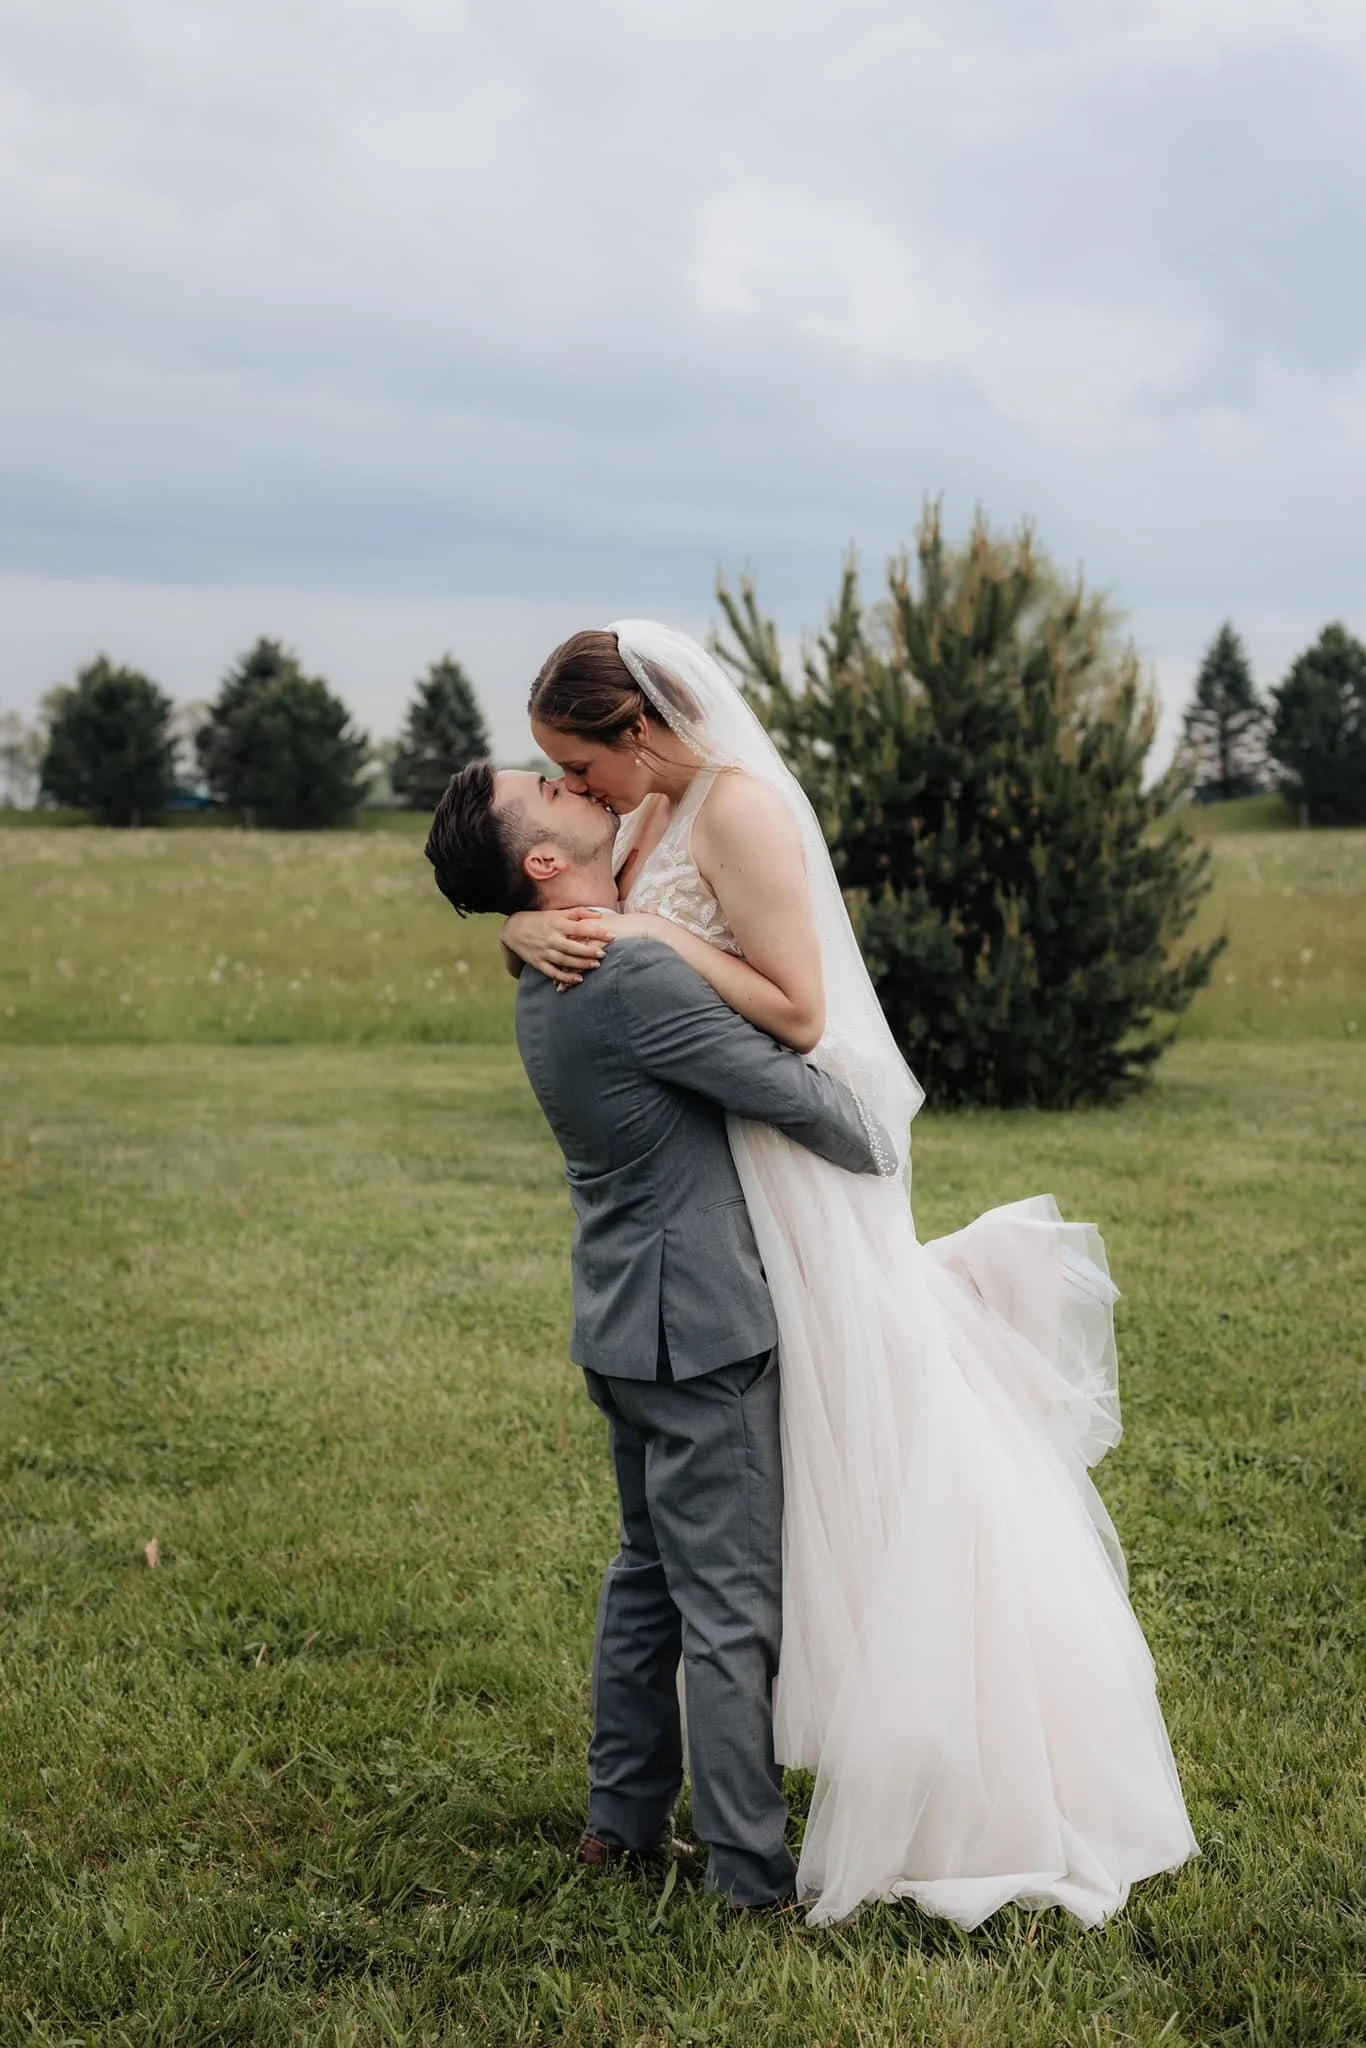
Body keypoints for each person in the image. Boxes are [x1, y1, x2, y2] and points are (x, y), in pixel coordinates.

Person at [498, 621, 1199, 1930]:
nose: (576, 789)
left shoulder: (741, 810)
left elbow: (800, 1012)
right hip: (710, 1193)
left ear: (636, 732)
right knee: (707, 1548)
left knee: (867, 1455)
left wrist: (643, 944)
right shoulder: (639, 818)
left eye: (575, 762)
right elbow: (594, 934)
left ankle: (947, 1738)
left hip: (781, 1167)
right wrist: (536, 929)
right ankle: (681, 1812)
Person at [425, 763, 887, 1911]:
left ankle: (620, 1823)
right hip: (698, 1333)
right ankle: (751, 1877)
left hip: (620, 1318)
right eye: (544, 782)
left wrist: (520, 927)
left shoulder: (552, 961)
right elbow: (801, 1099)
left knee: (647, 1576)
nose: (570, 779)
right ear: (541, 864)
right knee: (727, 1603)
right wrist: (879, 1126)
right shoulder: (622, 968)